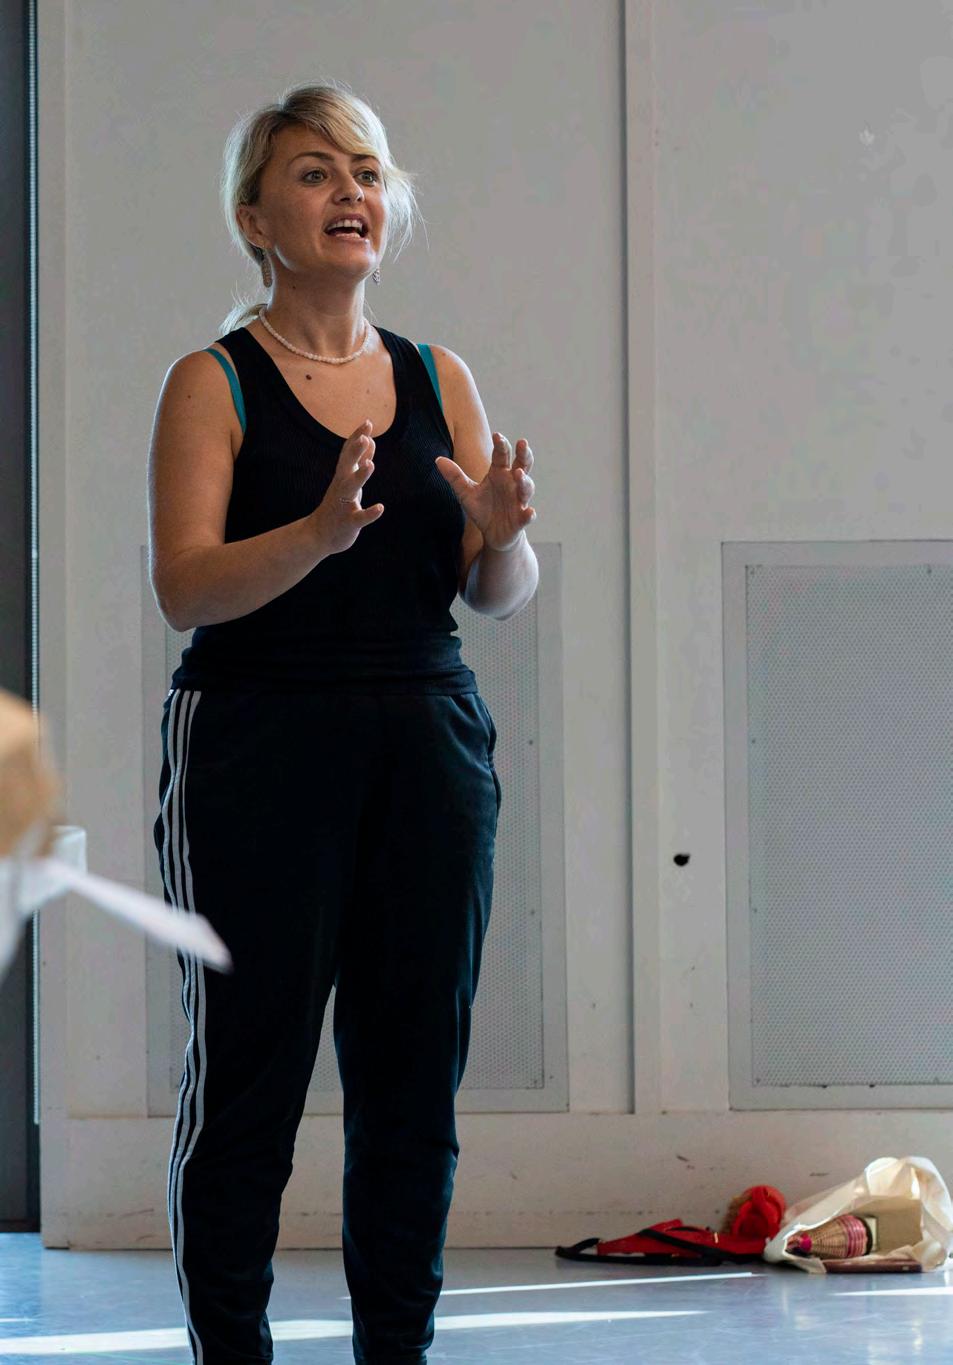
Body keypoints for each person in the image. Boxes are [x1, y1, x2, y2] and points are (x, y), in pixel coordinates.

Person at [147, 82, 538, 1365]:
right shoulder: (213, 380)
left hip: (426, 740)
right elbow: (185, 587)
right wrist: (315, 536)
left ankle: (395, 1354)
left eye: (365, 172)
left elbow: (493, 593)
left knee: (411, 1088)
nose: (350, 194)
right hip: (256, 743)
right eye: (314, 173)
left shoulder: (436, 375)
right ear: (256, 218)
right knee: (247, 1083)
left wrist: (502, 538)